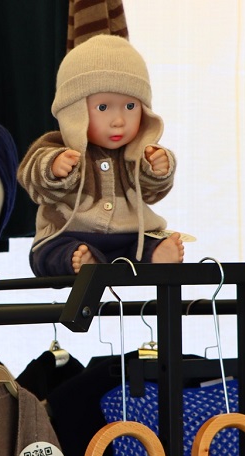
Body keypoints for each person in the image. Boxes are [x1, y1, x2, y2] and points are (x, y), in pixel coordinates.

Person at [18, 34, 185, 276]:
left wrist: (158, 170)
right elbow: (32, 181)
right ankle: (79, 261)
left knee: (147, 242)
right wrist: (53, 169)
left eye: (130, 106)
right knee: (48, 252)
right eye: (103, 107)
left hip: (129, 236)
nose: (119, 121)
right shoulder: (56, 147)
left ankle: (155, 254)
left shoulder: (139, 152)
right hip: (71, 232)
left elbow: (151, 194)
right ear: (73, 111)